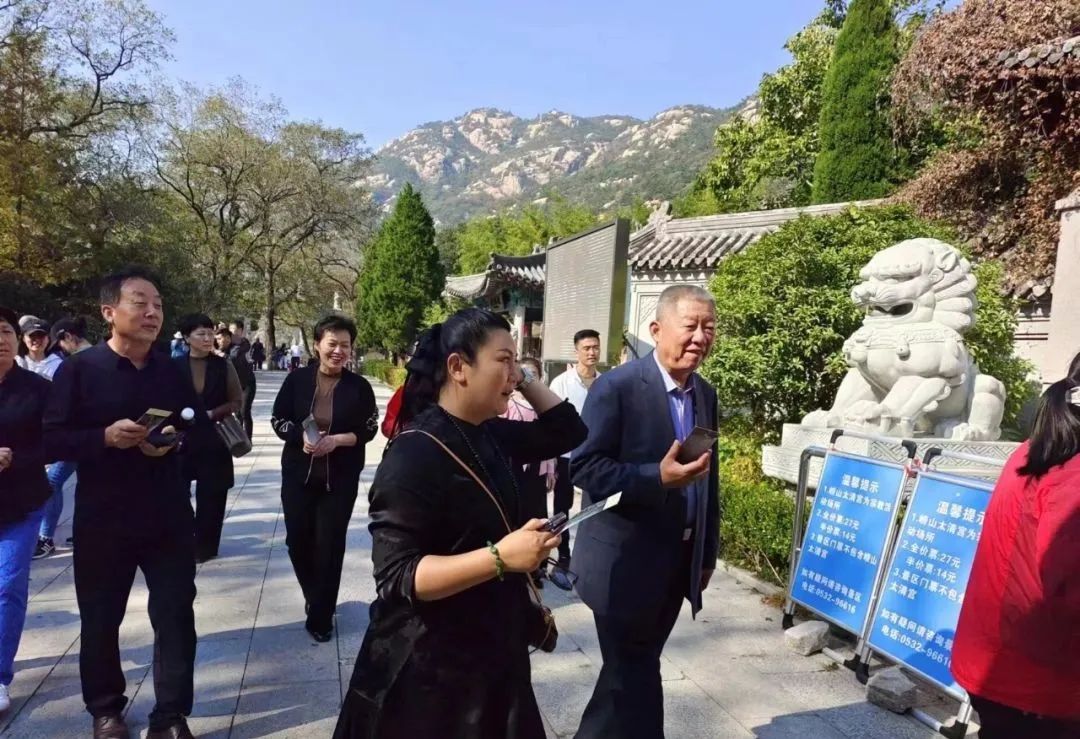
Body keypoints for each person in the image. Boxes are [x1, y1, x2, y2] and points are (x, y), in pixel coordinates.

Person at [334, 308, 586, 738]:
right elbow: (398, 576)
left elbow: (569, 431)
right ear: (458, 367)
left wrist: (521, 376)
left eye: (517, 362)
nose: (514, 374)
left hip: (494, 646)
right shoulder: (415, 452)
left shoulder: (489, 432)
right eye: (503, 360)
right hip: (432, 668)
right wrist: (500, 557)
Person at [44, 266, 200, 739]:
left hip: (167, 512)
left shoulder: (171, 370)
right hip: (103, 516)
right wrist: (104, 438)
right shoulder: (79, 370)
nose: (153, 312)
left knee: (175, 613)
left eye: (158, 305)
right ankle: (105, 710)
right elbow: (51, 439)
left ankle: (170, 715)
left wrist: (170, 441)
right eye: (140, 302)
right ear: (109, 312)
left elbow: (192, 428)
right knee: (100, 617)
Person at [570, 285, 720, 739]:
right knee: (632, 670)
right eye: (690, 326)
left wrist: (706, 554)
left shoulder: (705, 394)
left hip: (676, 563)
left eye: (709, 328)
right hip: (622, 563)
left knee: (633, 669)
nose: (700, 337)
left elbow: (709, 480)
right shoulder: (617, 387)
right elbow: (585, 467)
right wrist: (655, 477)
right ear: (656, 329)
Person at [951, 353, 1080, 738]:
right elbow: (1070, 591)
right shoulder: (1073, 477)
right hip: (1037, 686)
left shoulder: (1034, 449)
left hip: (994, 664)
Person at [271, 315, 379, 642]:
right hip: (298, 475)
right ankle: (314, 594)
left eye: (345, 345)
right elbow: (278, 419)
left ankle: (320, 617)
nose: (338, 351)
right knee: (297, 541)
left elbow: (370, 428)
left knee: (330, 545)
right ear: (317, 345)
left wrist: (339, 440)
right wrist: (299, 436)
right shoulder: (297, 380)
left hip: (340, 479)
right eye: (332, 344)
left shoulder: (359, 387)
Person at [0, 306, 52, 715]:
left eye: (4, 331)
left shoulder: (37, 389)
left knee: (8, 585)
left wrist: (14, 459)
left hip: (21, 503)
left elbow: (55, 442)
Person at [176, 314, 242, 563]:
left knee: (212, 494)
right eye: (200, 334)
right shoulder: (174, 366)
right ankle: (184, 537)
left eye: (209, 333)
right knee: (176, 491)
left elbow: (236, 401)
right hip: (182, 437)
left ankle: (206, 545)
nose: (207, 338)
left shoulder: (223, 365)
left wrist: (212, 413)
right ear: (187, 338)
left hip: (215, 436)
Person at [31, 317, 94, 559]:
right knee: (88, 482)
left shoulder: (78, 362)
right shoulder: (95, 357)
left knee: (53, 482)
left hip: (77, 435)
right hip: (88, 435)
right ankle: (84, 532)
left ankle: (46, 538)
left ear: (68, 336)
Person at [500, 357, 558, 587]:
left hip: (537, 471)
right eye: (524, 373)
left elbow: (552, 443)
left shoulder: (543, 406)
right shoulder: (508, 404)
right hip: (515, 471)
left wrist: (551, 469)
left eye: (533, 374)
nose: (528, 378)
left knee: (539, 515)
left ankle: (538, 568)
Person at [547, 328, 601, 573]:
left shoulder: (606, 383)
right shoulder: (561, 383)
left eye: (595, 347)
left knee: (595, 505)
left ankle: (591, 554)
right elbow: (551, 422)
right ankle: (563, 555)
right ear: (576, 351)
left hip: (596, 455)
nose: (592, 352)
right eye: (586, 348)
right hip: (566, 456)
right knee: (562, 508)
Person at [216, 325, 256, 440]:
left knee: (244, 411)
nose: (220, 341)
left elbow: (232, 357)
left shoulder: (241, 345)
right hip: (233, 386)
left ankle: (248, 439)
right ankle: (239, 438)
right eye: (218, 339)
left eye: (222, 338)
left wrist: (218, 352)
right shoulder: (217, 349)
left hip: (247, 384)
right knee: (237, 413)